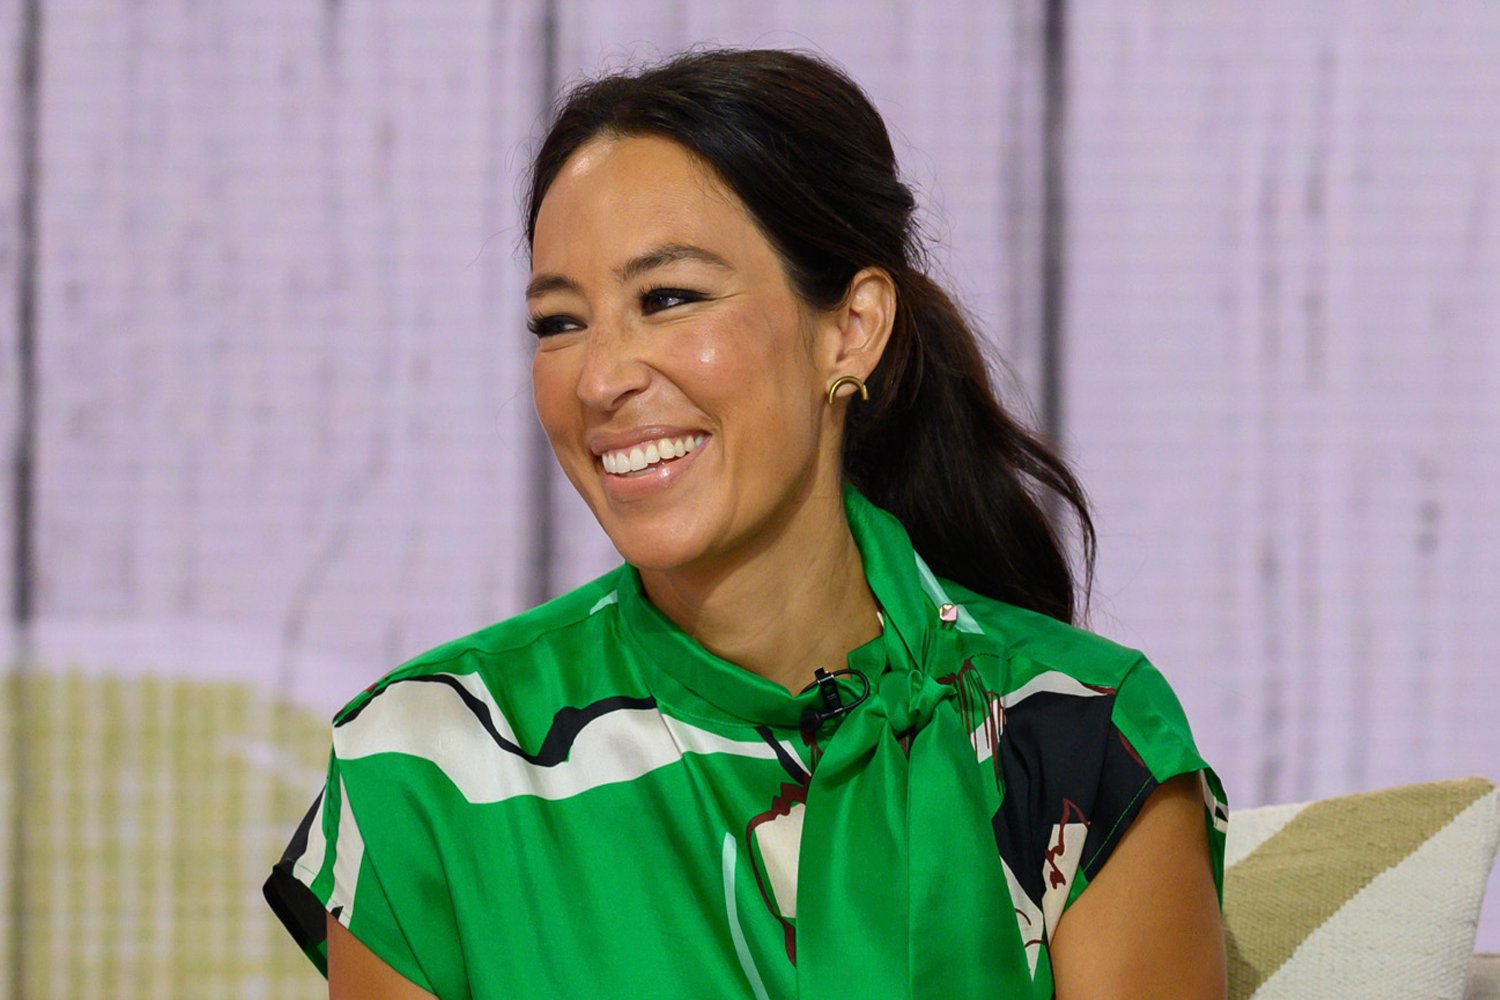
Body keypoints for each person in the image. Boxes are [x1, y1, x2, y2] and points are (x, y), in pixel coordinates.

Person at [264, 47, 1229, 1000]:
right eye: (560, 322)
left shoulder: (1085, 736)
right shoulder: (429, 767)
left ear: (849, 330)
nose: (600, 378)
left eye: (669, 299)